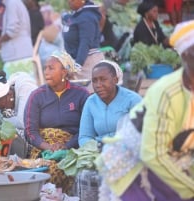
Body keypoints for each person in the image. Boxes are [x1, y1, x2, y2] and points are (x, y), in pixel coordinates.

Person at [97, 20, 194, 201]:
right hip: (136, 166)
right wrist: (190, 189)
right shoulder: (168, 92)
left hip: (175, 162)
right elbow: (152, 153)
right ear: (186, 56)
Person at [24, 50, 90, 193]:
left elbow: (86, 129)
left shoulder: (81, 94)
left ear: (64, 72)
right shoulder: (37, 95)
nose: (46, 72)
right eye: (45, 67)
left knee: (59, 170)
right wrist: (47, 146)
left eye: (51, 68)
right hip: (43, 150)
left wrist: (66, 146)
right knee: (45, 171)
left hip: (73, 148)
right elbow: (30, 131)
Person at [78, 60, 142, 148]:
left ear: (115, 80)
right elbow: (85, 137)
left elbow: (141, 133)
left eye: (103, 79)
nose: (98, 85)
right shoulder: (91, 102)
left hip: (127, 150)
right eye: (94, 80)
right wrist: (97, 148)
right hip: (97, 150)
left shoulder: (133, 100)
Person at [0, 70, 38, 158]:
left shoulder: (26, 88)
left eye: (2, 107)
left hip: (42, 129)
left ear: (9, 95)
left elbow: (23, 122)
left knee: (13, 134)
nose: (1, 110)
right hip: (26, 130)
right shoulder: (2, 97)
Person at [62, 0, 104, 93]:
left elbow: (85, 43)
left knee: (89, 95)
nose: (69, 1)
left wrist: (77, 66)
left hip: (88, 63)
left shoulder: (87, 17)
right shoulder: (76, 14)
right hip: (78, 61)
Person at [0, 0, 34, 79]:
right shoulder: (15, 3)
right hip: (22, 55)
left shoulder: (12, 3)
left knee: (17, 89)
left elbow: (12, 31)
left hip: (17, 57)